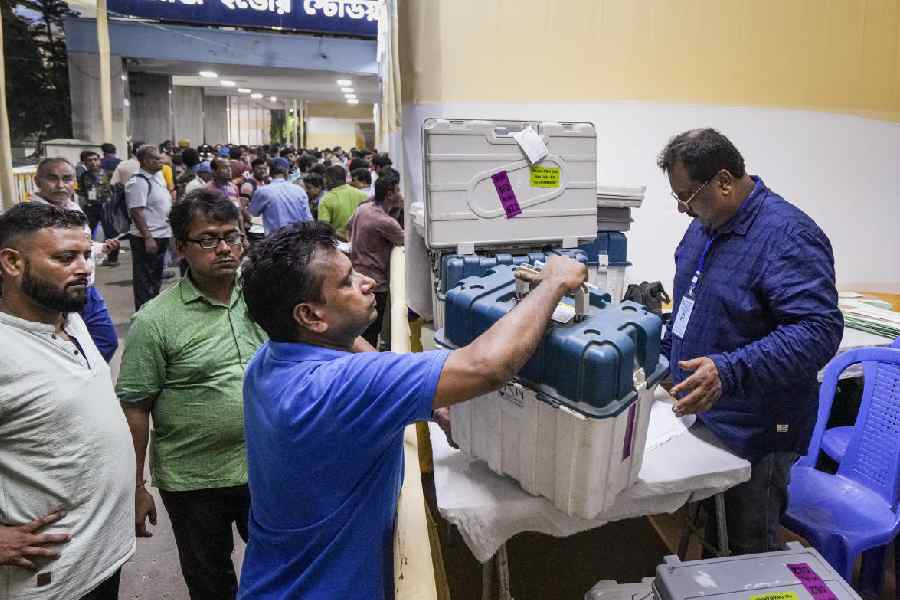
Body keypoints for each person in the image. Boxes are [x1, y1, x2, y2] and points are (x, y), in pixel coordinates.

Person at [237, 222, 586, 599]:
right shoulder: (337, 388)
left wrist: (432, 407)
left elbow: (350, 342)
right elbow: (488, 366)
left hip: (269, 580)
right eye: (346, 282)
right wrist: (553, 283)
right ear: (309, 315)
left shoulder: (269, 361)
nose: (367, 282)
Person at [657, 128, 843, 555]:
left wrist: (729, 370)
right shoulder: (706, 226)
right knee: (715, 537)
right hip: (709, 417)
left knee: (747, 548)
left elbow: (818, 330)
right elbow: (692, 300)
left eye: (686, 197)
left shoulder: (788, 236)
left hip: (758, 430)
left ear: (723, 181)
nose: (683, 210)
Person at [117, 190, 267, 600]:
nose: (224, 249)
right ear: (181, 248)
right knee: (210, 581)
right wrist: (135, 487)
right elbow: (135, 408)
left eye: (232, 237)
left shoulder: (263, 296)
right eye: (208, 239)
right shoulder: (156, 320)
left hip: (266, 468)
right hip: (195, 481)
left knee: (280, 568)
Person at [0, 202, 135, 599]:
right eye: (65, 258)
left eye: (85, 255)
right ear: (12, 262)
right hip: (49, 582)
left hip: (99, 559)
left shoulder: (67, 316)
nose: (84, 268)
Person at [31, 157, 120, 360]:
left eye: (67, 179)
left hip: (87, 289)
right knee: (64, 348)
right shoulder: (31, 217)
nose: (60, 185)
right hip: (57, 292)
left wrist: (100, 248)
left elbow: (80, 245)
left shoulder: (73, 208)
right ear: (37, 181)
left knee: (106, 341)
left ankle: (90, 378)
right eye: (52, 178)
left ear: (74, 182)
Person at [347, 170, 403, 350]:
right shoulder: (385, 222)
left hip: (357, 275)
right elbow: (405, 241)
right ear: (390, 194)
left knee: (359, 328)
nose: (400, 194)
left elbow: (348, 226)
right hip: (376, 283)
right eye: (398, 190)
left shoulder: (362, 209)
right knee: (372, 330)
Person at [126, 144, 173, 311]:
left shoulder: (158, 176)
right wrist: (148, 238)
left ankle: (152, 312)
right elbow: (136, 212)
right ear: (145, 161)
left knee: (155, 278)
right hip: (146, 238)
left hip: (161, 234)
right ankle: (143, 314)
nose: (160, 161)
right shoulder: (138, 182)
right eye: (156, 158)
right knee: (144, 281)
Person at [248, 157, 312, 235]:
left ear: (270, 172)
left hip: (275, 242)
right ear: (286, 172)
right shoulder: (300, 190)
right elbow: (308, 218)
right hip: (298, 240)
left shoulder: (263, 192)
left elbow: (253, 213)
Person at [317, 165, 367, 240]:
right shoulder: (362, 195)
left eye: (325, 179)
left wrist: (344, 238)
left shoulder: (325, 200)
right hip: (361, 240)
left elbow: (324, 227)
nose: (324, 182)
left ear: (330, 180)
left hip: (338, 244)